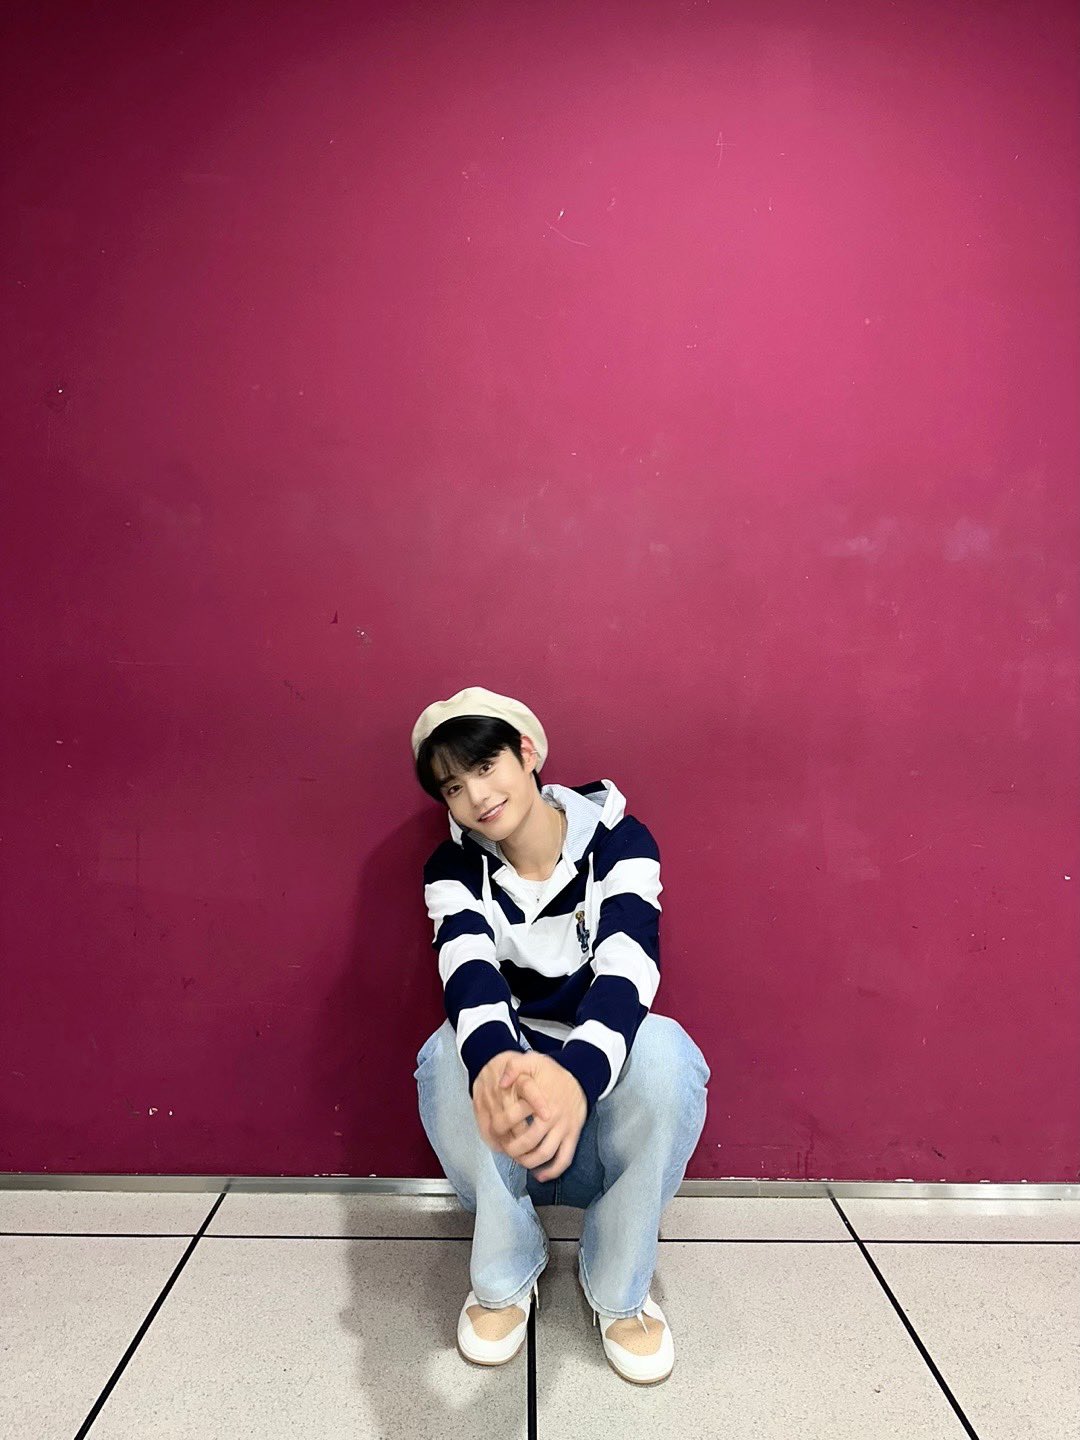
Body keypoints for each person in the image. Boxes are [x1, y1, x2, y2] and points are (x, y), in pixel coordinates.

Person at [411, 686, 709, 1385]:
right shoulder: (453, 868)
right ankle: (506, 1273)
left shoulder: (621, 842)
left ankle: (618, 1288)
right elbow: (468, 976)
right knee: (447, 1055)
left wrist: (573, 1080)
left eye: (485, 766)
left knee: (668, 1052)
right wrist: (502, 1066)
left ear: (527, 752)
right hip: (512, 1119)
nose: (476, 796)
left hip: (596, 1103)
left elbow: (629, 968)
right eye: (453, 787)